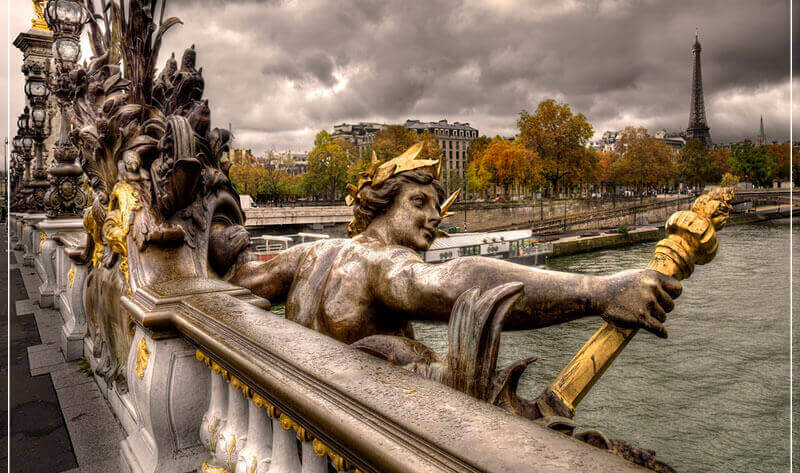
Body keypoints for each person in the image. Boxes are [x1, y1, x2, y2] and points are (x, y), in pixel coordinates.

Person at [231, 143, 681, 345]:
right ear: (380, 206)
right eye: (420, 202)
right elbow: (452, 284)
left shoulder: (310, 254)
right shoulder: (382, 262)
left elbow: (242, 278)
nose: (434, 216)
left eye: (439, 208)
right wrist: (598, 292)